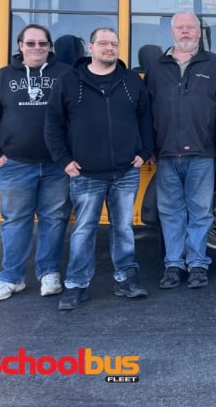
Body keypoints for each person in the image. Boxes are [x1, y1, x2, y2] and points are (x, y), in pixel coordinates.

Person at [45, 28, 154, 310]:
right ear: (90, 47)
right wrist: (64, 160)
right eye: (103, 43)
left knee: (124, 229)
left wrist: (144, 152)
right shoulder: (69, 81)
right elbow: (53, 125)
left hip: (125, 171)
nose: (109, 48)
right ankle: (76, 285)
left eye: (114, 44)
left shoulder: (131, 81)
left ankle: (126, 279)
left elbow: (146, 119)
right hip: (86, 173)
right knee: (83, 230)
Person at [0, 23, 73, 301]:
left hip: (57, 166)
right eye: (30, 43)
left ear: (50, 46)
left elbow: (76, 116)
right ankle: (11, 278)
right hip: (15, 164)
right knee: (16, 221)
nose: (37, 48)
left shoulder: (65, 74)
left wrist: (71, 156)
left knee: (53, 220)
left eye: (42, 43)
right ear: (20, 46)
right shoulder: (4, 76)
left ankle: (48, 273)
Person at [145, 11, 216, 289]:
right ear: (171, 32)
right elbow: (145, 111)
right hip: (167, 152)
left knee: (200, 211)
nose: (185, 32)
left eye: (190, 28)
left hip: (202, 152)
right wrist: (149, 146)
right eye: (180, 28)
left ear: (199, 32)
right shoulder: (157, 66)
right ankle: (173, 265)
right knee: (170, 212)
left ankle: (197, 265)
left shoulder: (215, 65)